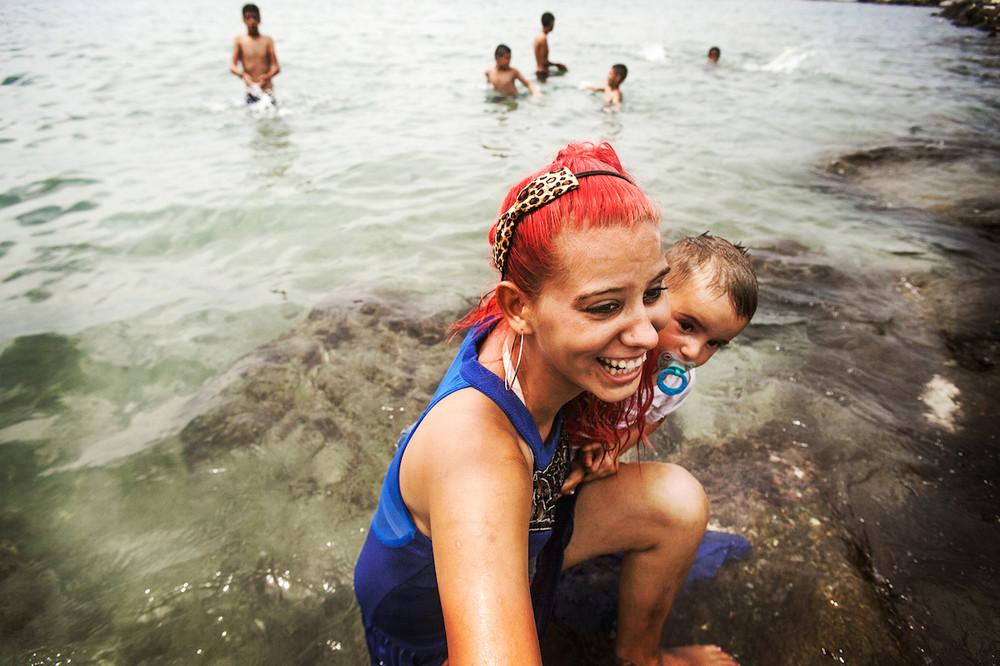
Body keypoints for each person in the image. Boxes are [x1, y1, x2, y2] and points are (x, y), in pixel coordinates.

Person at [354, 143, 738, 666]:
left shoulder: (524, 336)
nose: (648, 335)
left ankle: (640, 657)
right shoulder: (478, 453)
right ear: (520, 307)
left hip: (535, 529)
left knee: (677, 503)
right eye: (605, 307)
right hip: (427, 635)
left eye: (653, 292)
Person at [562, 232, 757, 491]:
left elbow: (654, 417)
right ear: (652, 295)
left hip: (585, 451)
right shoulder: (608, 350)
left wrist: (614, 449)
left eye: (714, 344)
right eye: (686, 326)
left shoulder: (678, 381)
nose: (693, 351)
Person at [230, 4, 280, 105]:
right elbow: (233, 66)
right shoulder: (240, 41)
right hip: (251, 90)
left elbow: (276, 67)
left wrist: (267, 77)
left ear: (259, 19)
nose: (252, 21)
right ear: (244, 20)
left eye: (255, 17)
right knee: (249, 119)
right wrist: (243, 75)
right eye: (248, 18)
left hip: (267, 90)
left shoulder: (267, 40)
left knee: (272, 118)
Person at [534, 11, 568, 81]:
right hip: (543, 73)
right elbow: (544, 62)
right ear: (551, 22)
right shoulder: (543, 39)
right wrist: (558, 65)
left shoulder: (537, 37)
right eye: (553, 23)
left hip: (539, 71)